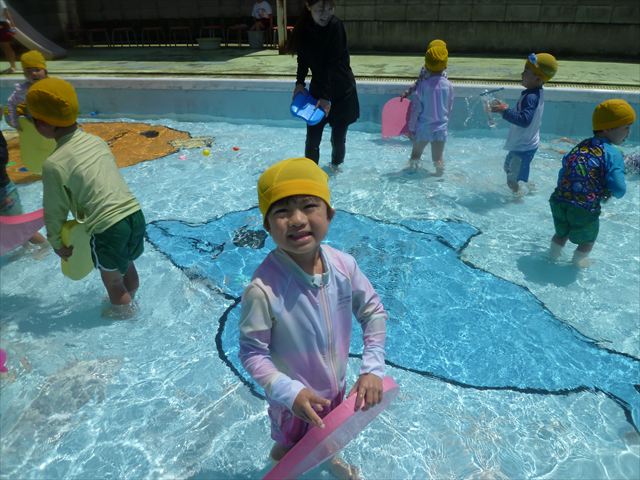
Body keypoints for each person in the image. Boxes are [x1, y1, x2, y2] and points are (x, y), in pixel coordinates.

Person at [239, 157, 387, 477]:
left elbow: (373, 311)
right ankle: (275, 471)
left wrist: (372, 369)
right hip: (293, 402)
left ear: (329, 214)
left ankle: (328, 457)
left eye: (309, 206)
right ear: (267, 226)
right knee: (289, 450)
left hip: (336, 387)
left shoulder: (344, 266)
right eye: (282, 211)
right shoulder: (263, 290)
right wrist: (289, 392)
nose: (297, 220)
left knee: (327, 434)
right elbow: (252, 353)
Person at [25, 77, 146, 310]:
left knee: (113, 282)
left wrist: (57, 243)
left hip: (107, 227)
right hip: (134, 215)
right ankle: (132, 300)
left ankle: (125, 317)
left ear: (43, 124)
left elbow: (54, 210)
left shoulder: (54, 164)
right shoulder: (96, 141)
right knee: (127, 265)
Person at [548, 99, 635, 268]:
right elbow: (619, 189)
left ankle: (551, 257)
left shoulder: (581, 146)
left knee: (561, 233)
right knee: (588, 240)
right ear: (608, 129)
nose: (628, 133)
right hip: (584, 207)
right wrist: (613, 191)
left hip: (558, 200)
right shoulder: (613, 153)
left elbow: (564, 169)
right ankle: (577, 263)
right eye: (626, 127)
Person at [288, 0, 359, 172]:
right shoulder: (304, 28)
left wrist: (326, 97)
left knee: (338, 139)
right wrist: (299, 83)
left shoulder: (336, 27)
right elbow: (303, 58)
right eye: (320, 9)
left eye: (330, 9)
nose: (325, 14)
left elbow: (333, 63)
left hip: (342, 90)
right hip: (319, 89)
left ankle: (336, 170)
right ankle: (311, 174)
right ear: (308, 6)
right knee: (312, 140)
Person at [490, 52, 558, 196]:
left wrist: (505, 111)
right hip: (524, 144)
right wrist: (506, 109)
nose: (522, 74)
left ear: (538, 79)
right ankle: (528, 186)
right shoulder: (534, 93)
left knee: (511, 180)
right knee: (508, 168)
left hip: (524, 146)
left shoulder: (531, 97)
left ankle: (518, 198)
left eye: (526, 72)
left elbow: (524, 120)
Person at [405, 41, 453, 175]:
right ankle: (439, 176)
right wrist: (445, 123)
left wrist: (411, 129)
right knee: (438, 159)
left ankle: (412, 174)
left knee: (416, 155)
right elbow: (449, 107)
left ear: (426, 64)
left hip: (424, 128)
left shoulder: (423, 86)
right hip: (441, 129)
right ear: (445, 65)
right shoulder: (449, 85)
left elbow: (416, 109)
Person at [0, 129, 48, 247]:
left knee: (20, 229)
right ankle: (26, 249)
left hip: (3, 192)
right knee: (12, 231)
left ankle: (45, 248)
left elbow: (2, 158)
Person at [4, 50, 48, 129]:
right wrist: (14, 122)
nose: (33, 73)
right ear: (24, 74)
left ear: (45, 71)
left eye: (37, 70)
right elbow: (10, 104)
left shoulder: (53, 85)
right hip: (32, 122)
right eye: (28, 71)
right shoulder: (22, 90)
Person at [0, 0, 16, 74]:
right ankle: (12, 66)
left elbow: (6, 12)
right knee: (4, 47)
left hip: (2, 24)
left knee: (6, 46)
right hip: (3, 24)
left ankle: (13, 66)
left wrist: (12, 26)